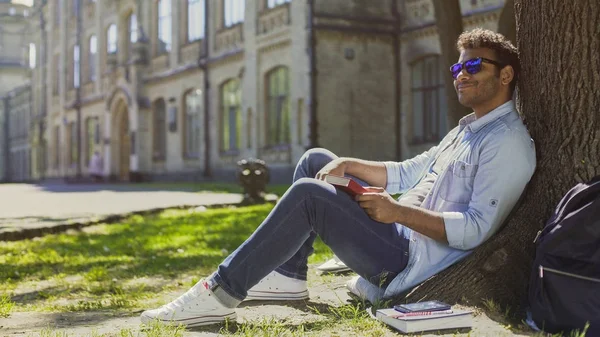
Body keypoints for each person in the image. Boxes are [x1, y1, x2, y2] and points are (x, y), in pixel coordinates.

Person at [140, 28, 536, 327]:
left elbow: (476, 230)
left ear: (505, 76)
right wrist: (349, 164)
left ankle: (220, 292)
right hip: (396, 233)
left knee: (311, 195)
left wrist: (394, 213)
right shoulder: (467, 129)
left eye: (473, 66)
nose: (460, 75)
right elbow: (409, 171)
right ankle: (288, 278)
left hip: (407, 261)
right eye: (457, 66)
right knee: (318, 161)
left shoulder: (508, 143)